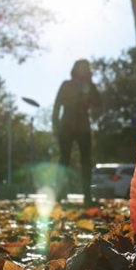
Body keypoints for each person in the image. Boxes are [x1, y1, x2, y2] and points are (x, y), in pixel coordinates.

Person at [53, 59, 101, 204]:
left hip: (83, 126)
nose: (82, 70)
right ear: (75, 69)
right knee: (64, 160)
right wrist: (55, 126)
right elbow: (57, 105)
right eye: (80, 67)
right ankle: (60, 193)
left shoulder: (90, 86)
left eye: (85, 68)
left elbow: (98, 104)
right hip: (66, 126)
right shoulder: (66, 84)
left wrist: (92, 94)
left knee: (85, 161)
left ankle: (87, 194)